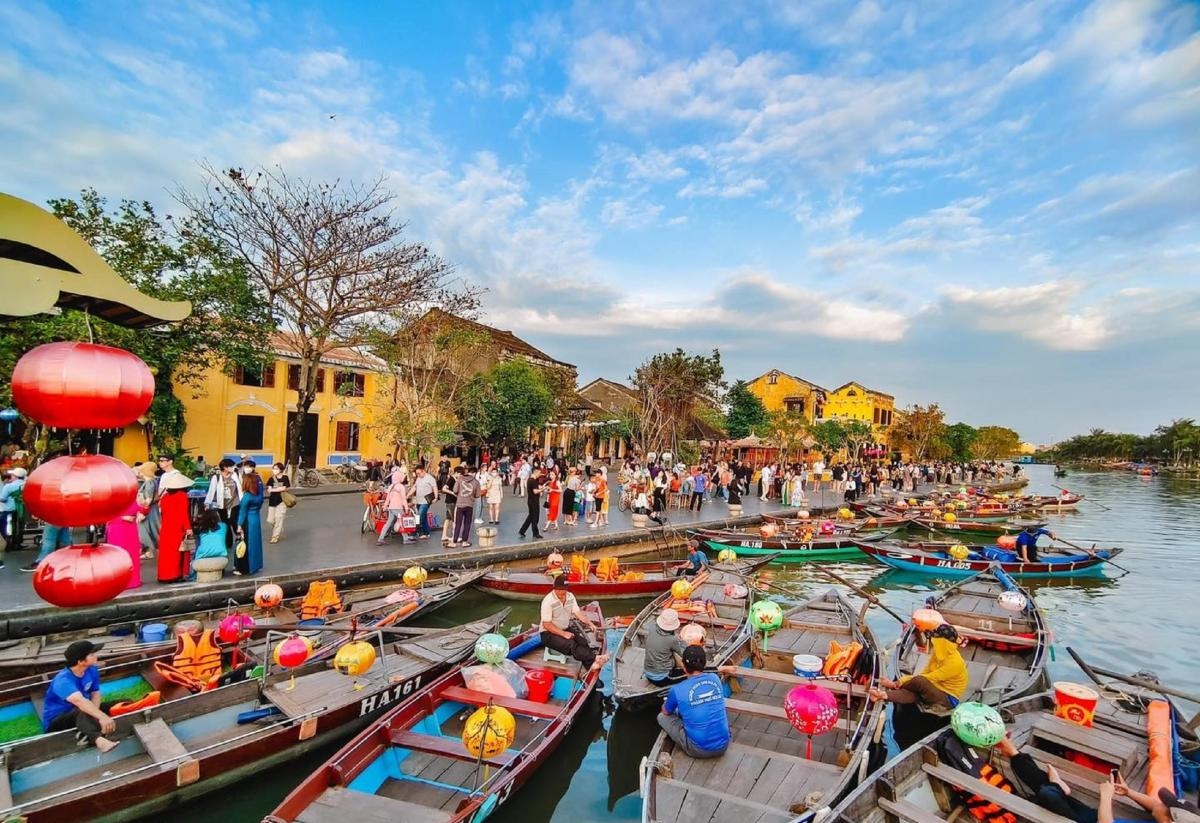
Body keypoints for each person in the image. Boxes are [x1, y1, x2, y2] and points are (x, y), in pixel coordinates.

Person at [42, 641, 120, 752]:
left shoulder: (92, 670)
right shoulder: (63, 681)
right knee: (80, 712)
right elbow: (80, 702)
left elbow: (95, 693)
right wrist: (102, 717)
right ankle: (99, 741)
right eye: (92, 654)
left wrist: (95, 715)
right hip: (57, 721)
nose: (96, 656)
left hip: (83, 711)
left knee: (121, 703)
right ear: (80, 661)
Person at [871, 624, 967, 707]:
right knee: (915, 695)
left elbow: (929, 678)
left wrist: (898, 682)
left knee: (920, 681)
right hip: (934, 687)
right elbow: (925, 672)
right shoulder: (937, 654)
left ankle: (893, 686)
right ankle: (882, 695)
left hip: (948, 697)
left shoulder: (955, 663)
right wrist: (902, 681)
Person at [660, 645, 730, 759]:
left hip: (698, 750)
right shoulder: (715, 678)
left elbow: (665, 712)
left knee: (661, 717)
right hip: (723, 745)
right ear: (704, 663)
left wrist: (667, 703)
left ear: (684, 666)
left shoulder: (677, 690)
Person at [539, 576, 608, 672]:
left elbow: (578, 613)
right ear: (555, 588)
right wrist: (564, 634)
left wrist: (590, 624)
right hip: (548, 634)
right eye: (561, 590)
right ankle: (595, 658)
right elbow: (547, 624)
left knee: (583, 642)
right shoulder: (548, 601)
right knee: (571, 644)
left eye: (565, 589)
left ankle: (590, 666)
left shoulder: (570, 596)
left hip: (564, 628)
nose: (564, 592)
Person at [156, 458, 193, 583]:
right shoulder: (182, 496)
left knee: (166, 553)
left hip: (166, 526)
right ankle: (176, 575)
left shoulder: (165, 497)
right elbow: (183, 514)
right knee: (177, 553)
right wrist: (188, 528)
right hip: (178, 527)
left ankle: (163, 575)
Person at [105, 470, 142, 590]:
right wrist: (121, 518)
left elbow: (139, 508)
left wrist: (141, 511)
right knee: (119, 555)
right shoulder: (109, 495)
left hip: (130, 528)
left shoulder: (131, 494)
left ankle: (132, 580)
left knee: (131, 553)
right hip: (117, 528)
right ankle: (121, 581)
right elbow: (105, 514)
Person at [203, 459, 241, 552]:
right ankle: (228, 542)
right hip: (222, 504)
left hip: (235, 502)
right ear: (225, 467)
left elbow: (240, 488)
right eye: (231, 466)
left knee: (233, 520)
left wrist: (242, 500)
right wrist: (207, 503)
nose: (233, 468)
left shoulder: (235, 475)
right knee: (225, 522)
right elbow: (212, 491)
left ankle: (239, 535)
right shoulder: (216, 477)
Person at [235, 461, 264, 575]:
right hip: (256, 519)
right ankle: (256, 565)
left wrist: (239, 525)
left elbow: (242, 513)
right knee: (255, 543)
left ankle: (245, 568)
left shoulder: (247, 497)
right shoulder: (257, 496)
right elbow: (261, 501)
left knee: (245, 543)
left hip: (247, 520)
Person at [644, 608, 687, 685]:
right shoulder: (671, 639)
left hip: (647, 673)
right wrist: (683, 642)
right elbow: (684, 653)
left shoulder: (652, 627)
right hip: (661, 678)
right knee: (686, 673)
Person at [188, 509, 229, 580]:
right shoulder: (224, 526)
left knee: (198, 542)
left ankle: (193, 574)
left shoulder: (201, 529)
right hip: (221, 555)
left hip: (202, 556)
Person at [376, 471, 413, 546]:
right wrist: (406, 508)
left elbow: (387, 499)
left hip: (391, 508)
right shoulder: (401, 487)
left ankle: (380, 538)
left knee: (388, 523)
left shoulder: (391, 486)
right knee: (402, 522)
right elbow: (403, 499)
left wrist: (385, 506)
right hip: (398, 507)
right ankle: (406, 539)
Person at [450, 465, 480, 547]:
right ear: (474, 473)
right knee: (467, 523)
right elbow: (477, 495)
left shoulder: (460, 479)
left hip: (460, 504)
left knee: (457, 524)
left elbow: (455, 490)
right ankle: (464, 542)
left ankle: (454, 542)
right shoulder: (476, 482)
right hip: (469, 505)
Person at [264, 462, 290, 544]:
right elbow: (269, 489)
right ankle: (278, 527)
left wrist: (273, 490)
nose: (274, 470)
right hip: (272, 501)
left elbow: (284, 488)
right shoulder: (271, 479)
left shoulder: (285, 478)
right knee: (270, 520)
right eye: (273, 468)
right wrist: (271, 489)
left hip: (282, 501)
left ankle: (275, 537)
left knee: (279, 518)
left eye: (276, 469)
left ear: (280, 469)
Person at [519, 466, 545, 539]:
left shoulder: (530, 480)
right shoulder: (533, 481)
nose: (539, 474)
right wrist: (542, 490)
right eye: (539, 473)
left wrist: (541, 488)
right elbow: (535, 491)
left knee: (530, 517)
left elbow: (535, 489)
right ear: (535, 472)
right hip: (534, 501)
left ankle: (522, 530)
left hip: (531, 501)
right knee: (535, 518)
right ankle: (535, 533)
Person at [412, 465, 437, 540]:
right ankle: (426, 532)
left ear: (423, 471)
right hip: (418, 500)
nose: (418, 475)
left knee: (419, 516)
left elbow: (434, 487)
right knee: (423, 516)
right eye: (417, 474)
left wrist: (435, 497)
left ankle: (419, 531)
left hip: (425, 501)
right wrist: (407, 495)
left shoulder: (430, 478)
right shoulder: (418, 478)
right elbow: (414, 487)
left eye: (419, 473)